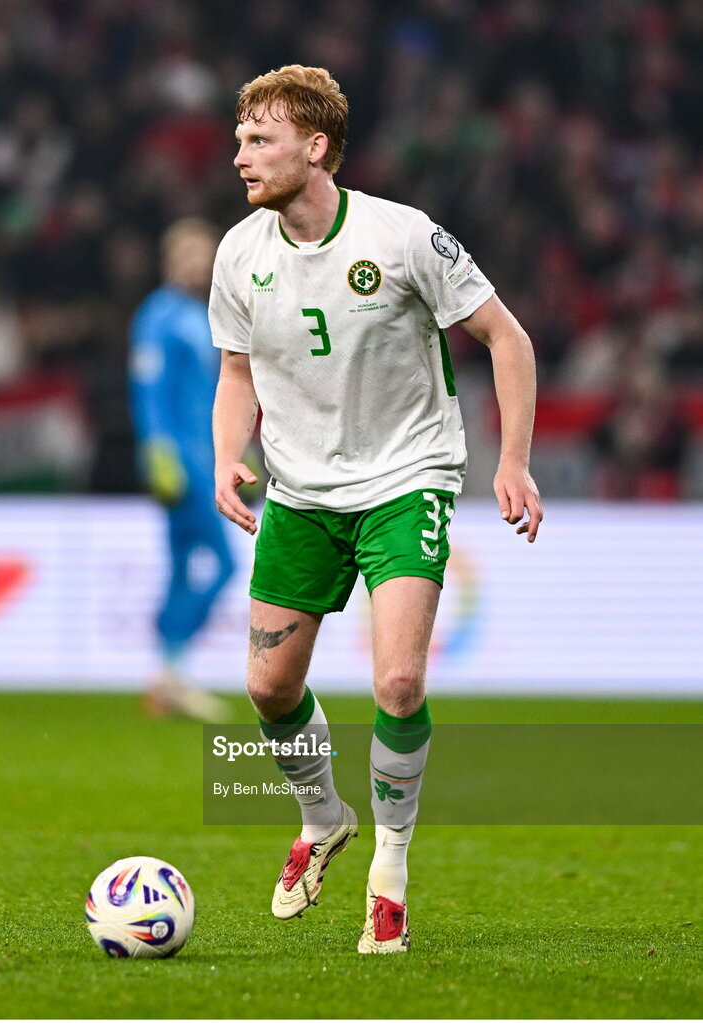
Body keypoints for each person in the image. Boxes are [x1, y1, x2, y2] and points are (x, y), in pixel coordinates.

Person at [210, 66, 543, 953]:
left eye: (259, 139)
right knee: (268, 687)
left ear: (316, 148)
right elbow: (236, 372)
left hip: (407, 477)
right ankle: (324, 818)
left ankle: (389, 873)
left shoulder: (403, 237)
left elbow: (506, 337)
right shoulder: (239, 253)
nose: (240, 155)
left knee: (398, 681)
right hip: (301, 490)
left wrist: (512, 460)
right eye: (240, 139)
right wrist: (227, 456)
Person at [129, 218, 235, 722]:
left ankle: (168, 676)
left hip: (204, 456)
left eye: (204, 255)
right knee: (224, 564)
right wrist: (158, 452)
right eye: (190, 254)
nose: (199, 263)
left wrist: (233, 451)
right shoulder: (158, 315)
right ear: (171, 260)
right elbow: (149, 389)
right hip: (180, 461)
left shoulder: (201, 315)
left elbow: (213, 394)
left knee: (181, 566)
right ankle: (170, 660)